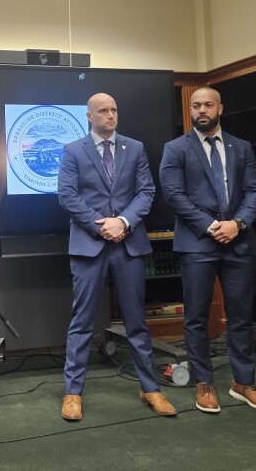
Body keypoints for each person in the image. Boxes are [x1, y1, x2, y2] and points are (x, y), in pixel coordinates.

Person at [58, 93, 176, 421]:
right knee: (82, 322)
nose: (111, 115)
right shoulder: (72, 150)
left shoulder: (134, 148)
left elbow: (146, 192)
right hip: (89, 244)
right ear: (89, 116)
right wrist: (102, 226)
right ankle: (72, 393)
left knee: (137, 320)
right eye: (103, 111)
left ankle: (150, 388)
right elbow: (67, 196)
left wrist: (122, 221)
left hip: (128, 243)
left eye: (114, 110)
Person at [159, 87, 256, 414]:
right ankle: (204, 382)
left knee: (241, 316)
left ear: (220, 108)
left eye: (208, 104)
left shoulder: (242, 147)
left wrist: (238, 223)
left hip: (239, 242)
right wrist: (211, 226)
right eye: (196, 106)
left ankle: (243, 382)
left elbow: (254, 190)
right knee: (196, 317)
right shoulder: (175, 148)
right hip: (198, 243)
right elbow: (174, 195)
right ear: (191, 110)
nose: (202, 110)